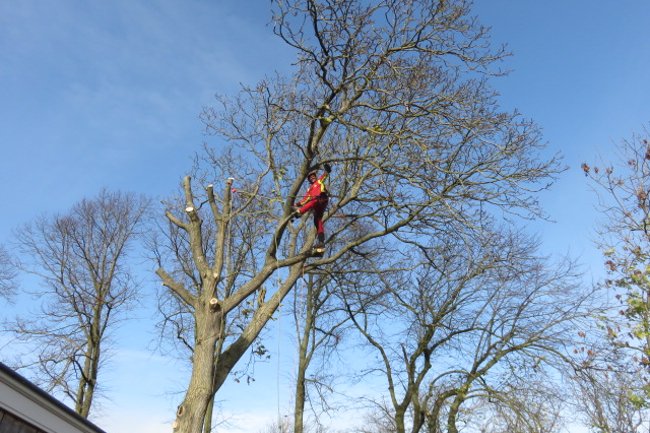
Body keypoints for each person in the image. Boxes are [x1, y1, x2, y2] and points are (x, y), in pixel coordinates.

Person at [294, 163, 331, 249]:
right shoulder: (310, 190)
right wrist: (296, 204)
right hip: (317, 205)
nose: (312, 177)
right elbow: (304, 201)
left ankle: (300, 212)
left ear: (315, 176)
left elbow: (325, 175)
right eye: (310, 177)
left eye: (313, 176)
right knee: (317, 221)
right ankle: (321, 241)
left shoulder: (319, 181)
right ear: (309, 180)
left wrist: (327, 169)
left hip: (321, 198)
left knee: (313, 201)